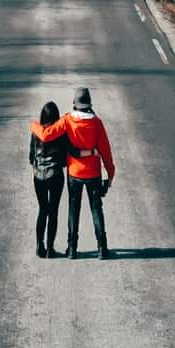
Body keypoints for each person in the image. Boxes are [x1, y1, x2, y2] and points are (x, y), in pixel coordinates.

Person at [61, 86, 116, 260]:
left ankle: (72, 249)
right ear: (89, 104)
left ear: (75, 104)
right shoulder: (97, 122)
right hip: (93, 173)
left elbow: (52, 134)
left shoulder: (68, 120)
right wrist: (110, 175)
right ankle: (102, 247)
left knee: (73, 209)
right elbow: (106, 151)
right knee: (96, 209)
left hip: (74, 173)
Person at [28, 100, 69, 258]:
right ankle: (50, 248)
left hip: (39, 177)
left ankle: (39, 245)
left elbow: (31, 157)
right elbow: (65, 161)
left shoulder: (36, 133)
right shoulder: (60, 134)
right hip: (55, 176)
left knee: (42, 210)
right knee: (53, 211)